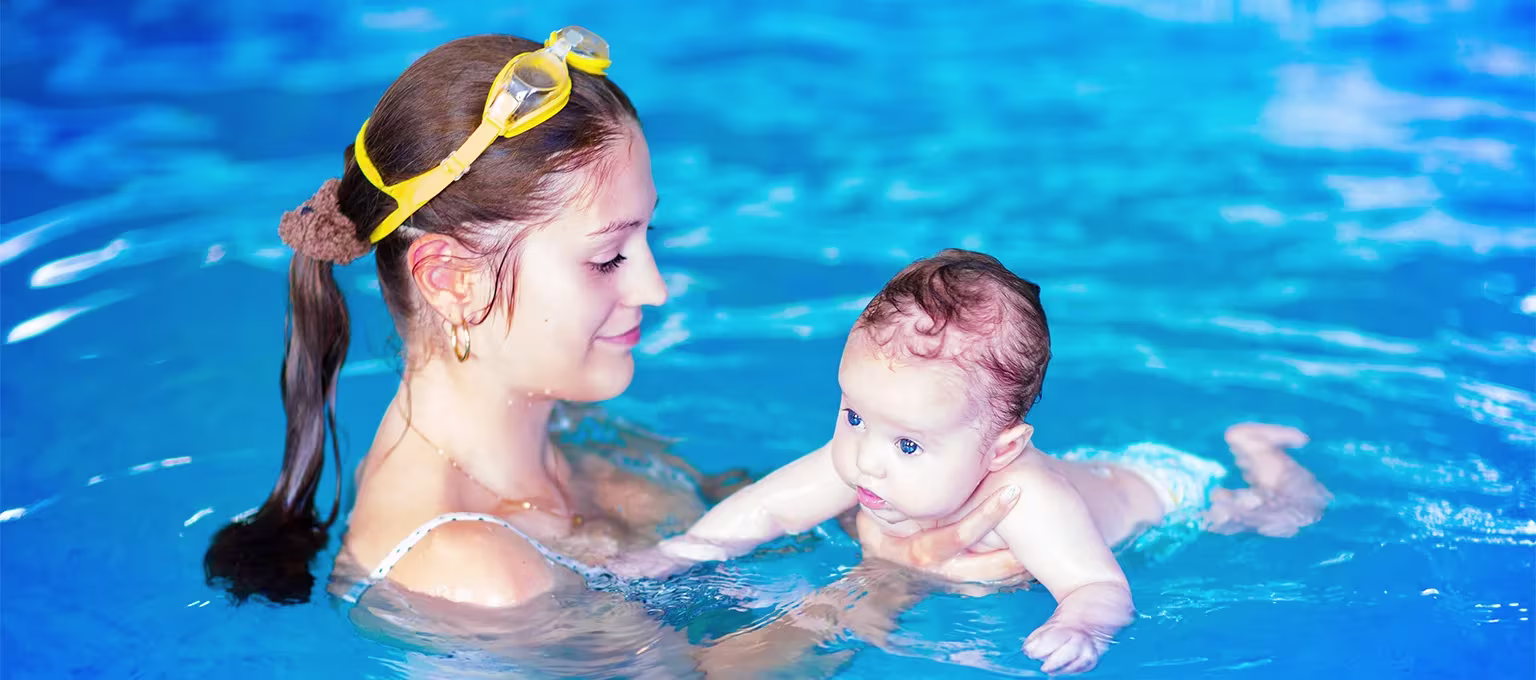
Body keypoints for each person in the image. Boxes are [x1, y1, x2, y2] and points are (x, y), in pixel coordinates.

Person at [201, 26, 1025, 676]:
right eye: (606, 257)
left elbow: (743, 514)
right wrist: (894, 581)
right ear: (452, 281)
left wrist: (913, 500)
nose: (656, 288)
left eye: (647, 238)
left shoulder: (559, 438)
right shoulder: (468, 571)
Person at [611, 248, 1332, 675]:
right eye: (852, 413)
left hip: (1166, 495)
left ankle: (1258, 454)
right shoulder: (871, 454)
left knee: (1281, 520)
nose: (865, 457)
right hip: (1091, 469)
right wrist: (682, 551)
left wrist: (1084, 623)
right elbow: (765, 508)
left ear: (1000, 452)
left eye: (908, 444)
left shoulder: (1027, 497)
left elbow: (1096, 584)